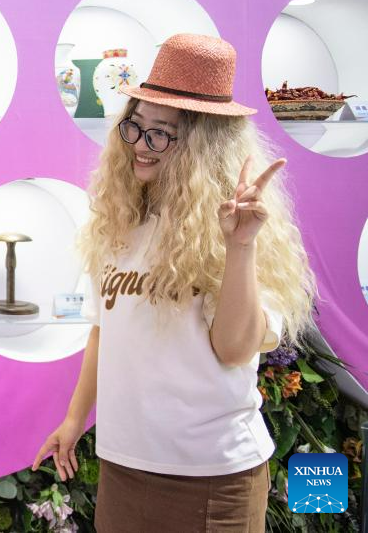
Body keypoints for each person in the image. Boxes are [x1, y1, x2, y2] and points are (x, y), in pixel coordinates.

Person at [31, 34, 316, 532]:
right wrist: (75, 420)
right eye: (135, 126)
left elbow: (235, 349)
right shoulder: (120, 224)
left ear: (204, 147)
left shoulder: (236, 230)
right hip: (123, 466)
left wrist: (240, 247)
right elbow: (104, 330)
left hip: (210, 479)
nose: (141, 146)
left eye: (161, 134)